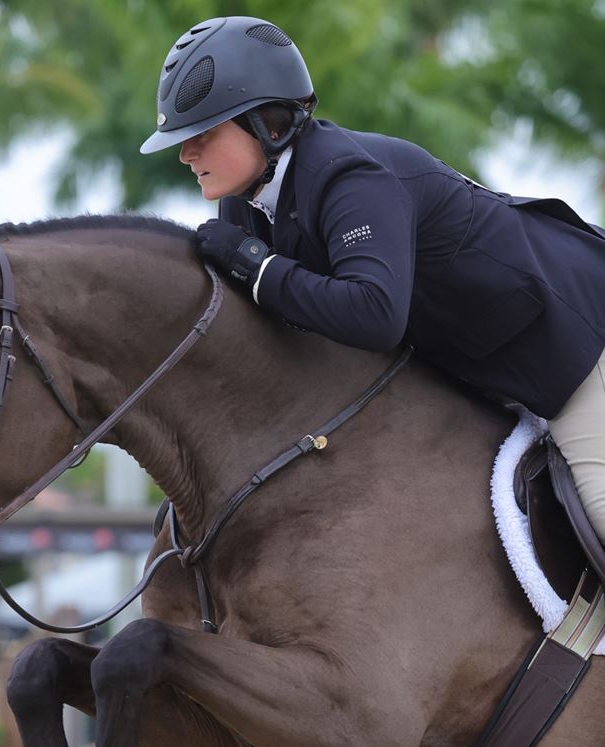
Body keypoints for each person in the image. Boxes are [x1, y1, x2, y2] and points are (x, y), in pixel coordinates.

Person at [140, 15, 605, 542]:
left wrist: (259, 268)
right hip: (478, 367)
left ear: (267, 123)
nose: (185, 153)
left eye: (203, 133)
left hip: (574, 338)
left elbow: (375, 314)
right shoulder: (244, 206)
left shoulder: (349, 177)